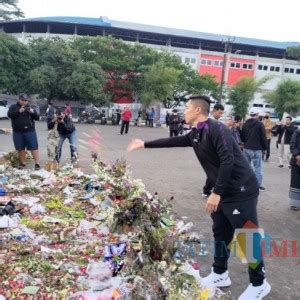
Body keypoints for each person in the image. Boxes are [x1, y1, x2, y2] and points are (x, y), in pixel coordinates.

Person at [127, 95, 270, 300]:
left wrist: (216, 193)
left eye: (186, 108)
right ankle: (220, 274)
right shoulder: (197, 132)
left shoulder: (217, 129)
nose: (183, 111)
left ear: (197, 111)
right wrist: (144, 144)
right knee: (221, 232)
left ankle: (259, 283)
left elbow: (227, 160)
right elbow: (173, 140)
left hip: (241, 189)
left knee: (247, 235)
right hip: (224, 192)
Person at [7, 94, 41, 170]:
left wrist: (32, 112)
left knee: (33, 147)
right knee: (20, 148)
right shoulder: (13, 107)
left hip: (30, 131)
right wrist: (18, 111)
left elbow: (38, 117)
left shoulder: (30, 107)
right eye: (22, 100)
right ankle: (23, 163)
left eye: (25, 100)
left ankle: (37, 163)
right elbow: (9, 115)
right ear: (19, 99)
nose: (24, 102)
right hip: (17, 132)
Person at [241, 109, 267, 192]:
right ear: (257, 114)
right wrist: (265, 148)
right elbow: (263, 137)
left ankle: (244, 184)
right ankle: (257, 186)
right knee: (258, 168)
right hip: (257, 149)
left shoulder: (245, 124)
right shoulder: (260, 124)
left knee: (245, 167)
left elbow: (242, 137)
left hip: (247, 148)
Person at [289, 129, 300, 211]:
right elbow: (292, 145)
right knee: (295, 183)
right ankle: (295, 203)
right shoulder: (297, 132)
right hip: (296, 161)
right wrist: (297, 156)